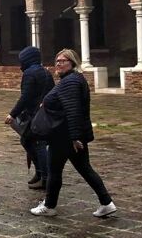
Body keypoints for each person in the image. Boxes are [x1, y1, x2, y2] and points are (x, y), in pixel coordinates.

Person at [30, 48, 117, 218]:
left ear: (73, 63)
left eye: (63, 61)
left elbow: (73, 110)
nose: (58, 64)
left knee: (55, 170)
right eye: (57, 61)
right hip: (71, 135)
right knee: (85, 169)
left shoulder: (70, 82)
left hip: (64, 137)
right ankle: (107, 203)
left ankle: (49, 206)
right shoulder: (73, 80)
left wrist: (75, 137)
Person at [5, 46, 55, 190]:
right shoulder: (46, 72)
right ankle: (39, 173)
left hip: (35, 115)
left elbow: (25, 97)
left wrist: (13, 114)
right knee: (27, 140)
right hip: (44, 113)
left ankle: (45, 177)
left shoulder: (29, 73)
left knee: (38, 144)